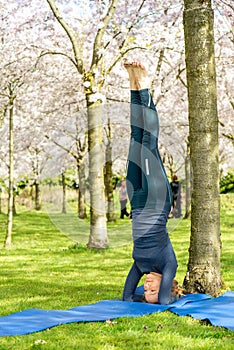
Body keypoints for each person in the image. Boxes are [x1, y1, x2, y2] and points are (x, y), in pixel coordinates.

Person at [122, 61, 179, 305]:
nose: (148, 288)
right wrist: (164, 296)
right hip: (157, 200)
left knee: (135, 139)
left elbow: (126, 297)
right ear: (168, 285)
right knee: (148, 142)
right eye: (153, 290)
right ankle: (144, 86)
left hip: (137, 203)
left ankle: (134, 88)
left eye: (146, 292)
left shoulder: (140, 265)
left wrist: (136, 299)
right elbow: (165, 300)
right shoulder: (168, 264)